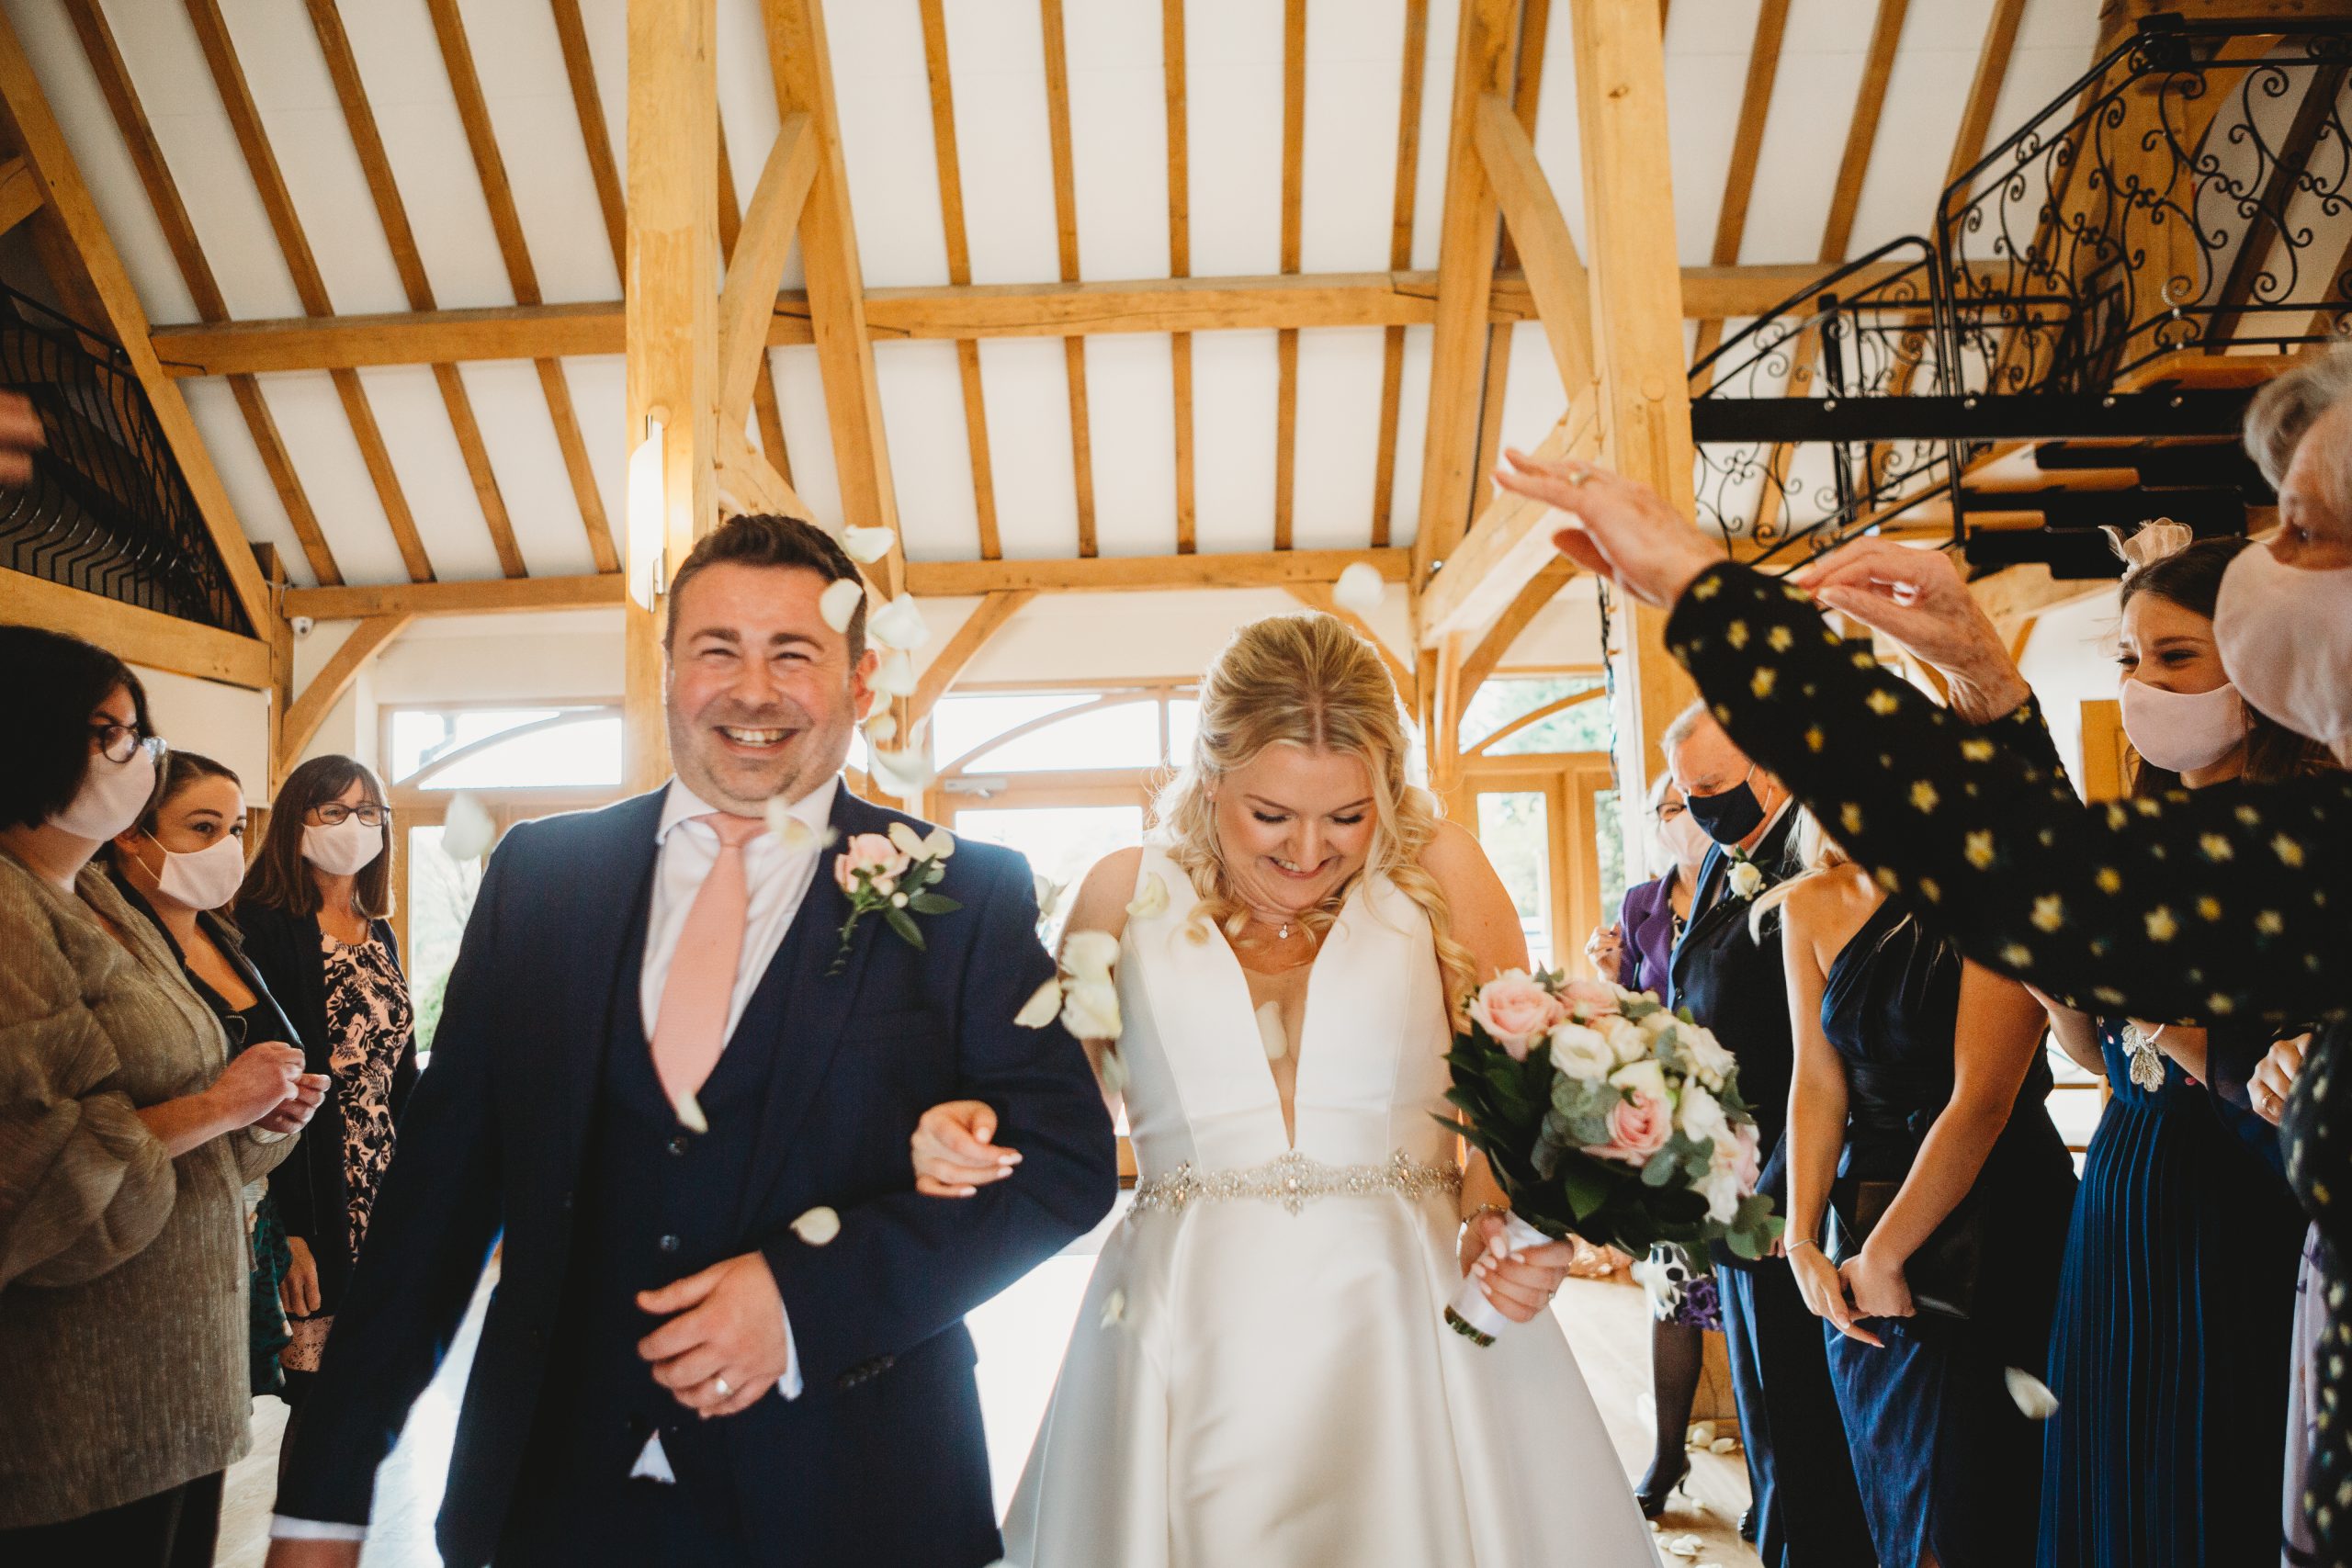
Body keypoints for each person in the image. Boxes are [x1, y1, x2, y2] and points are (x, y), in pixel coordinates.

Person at [1489, 340, 2352, 1563]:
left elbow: (2037, 886)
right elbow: (2054, 877)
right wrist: (1977, 667)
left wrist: (1708, 590)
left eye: (2304, 532)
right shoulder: (2316, 834)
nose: (2273, 568)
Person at [265, 514, 1118, 1568]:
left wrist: (806, 1302)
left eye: (792, 654)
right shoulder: (540, 881)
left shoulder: (962, 891)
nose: (752, 692)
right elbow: (436, 1204)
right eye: (718, 649)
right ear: (669, 669)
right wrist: (322, 1505)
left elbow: (1063, 1162)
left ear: (860, 681)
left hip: (851, 1500)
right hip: (553, 1505)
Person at [909, 612, 1658, 1568]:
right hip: (1189, 1327)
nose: (1309, 849)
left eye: (1347, 815)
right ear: (1209, 777)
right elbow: (1055, 1119)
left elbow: (1510, 1114)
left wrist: (1505, 1217)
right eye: (1271, 814)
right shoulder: (1121, 893)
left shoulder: (1438, 871)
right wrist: (962, 1129)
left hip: (1415, 1313)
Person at [2030, 527, 2323, 1568]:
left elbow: (2280, 1074)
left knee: (2211, 1474)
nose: (2142, 683)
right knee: (2117, 1469)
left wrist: (2151, 1006)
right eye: (2128, 657)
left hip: (2235, 1209)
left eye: (2175, 656)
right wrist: (2051, 975)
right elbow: (2098, 1054)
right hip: (2124, 1195)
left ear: (2254, 670)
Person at [0, 626, 321, 1562]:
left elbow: (191, 1097)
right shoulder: (12, 910)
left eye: (139, 733)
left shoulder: (100, 900)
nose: (138, 755)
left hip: (174, 1381)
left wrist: (259, 1115)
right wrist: (221, 1107)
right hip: (78, 1406)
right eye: (110, 733)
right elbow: (34, 1170)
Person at [1770, 812, 2075, 1566]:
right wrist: (1802, 1235)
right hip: (1864, 1219)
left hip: (1995, 1216)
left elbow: (1981, 1103)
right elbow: (1816, 1081)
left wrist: (1887, 1254)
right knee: (1900, 1501)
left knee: (1984, 1506)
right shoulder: (1807, 903)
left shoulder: (1991, 893)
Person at [1657, 701, 1872, 1565]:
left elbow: (1815, 1054)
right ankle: (1782, 1534)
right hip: (1730, 1175)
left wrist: (1782, 1194)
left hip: (1791, 1177)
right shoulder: (1725, 855)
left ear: (1768, 772)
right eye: (1688, 794)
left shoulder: (1804, 862)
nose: (1702, 808)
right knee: (1762, 1407)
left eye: (1713, 785)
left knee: (1799, 1404)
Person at [104, 749, 317, 1402]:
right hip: (144, 1241)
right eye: (202, 827)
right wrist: (230, 1104)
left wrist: (276, 1116)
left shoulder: (226, 936)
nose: (226, 847)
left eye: (235, 829)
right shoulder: (106, 946)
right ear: (131, 833)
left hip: (241, 1223)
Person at [235, 755, 416, 1409]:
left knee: (377, 1393)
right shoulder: (264, 926)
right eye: (334, 811)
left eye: (368, 812)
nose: (353, 825)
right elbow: (267, 1091)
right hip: (316, 1190)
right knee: (319, 1399)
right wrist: (290, 1228)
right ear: (297, 820)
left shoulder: (380, 930)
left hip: (385, 1188)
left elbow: (400, 1072)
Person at [1590, 773, 1726, 1517]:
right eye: (1667, 808)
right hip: (1673, 1117)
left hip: (1746, 1112)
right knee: (1675, 1288)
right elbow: (1632, 999)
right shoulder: (1642, 902)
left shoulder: (1744, 883)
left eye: (1689, 805)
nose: (1680, 818)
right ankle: (1669, 1453)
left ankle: (1773, 1472)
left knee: (1750, 1296)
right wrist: (1606, 975)